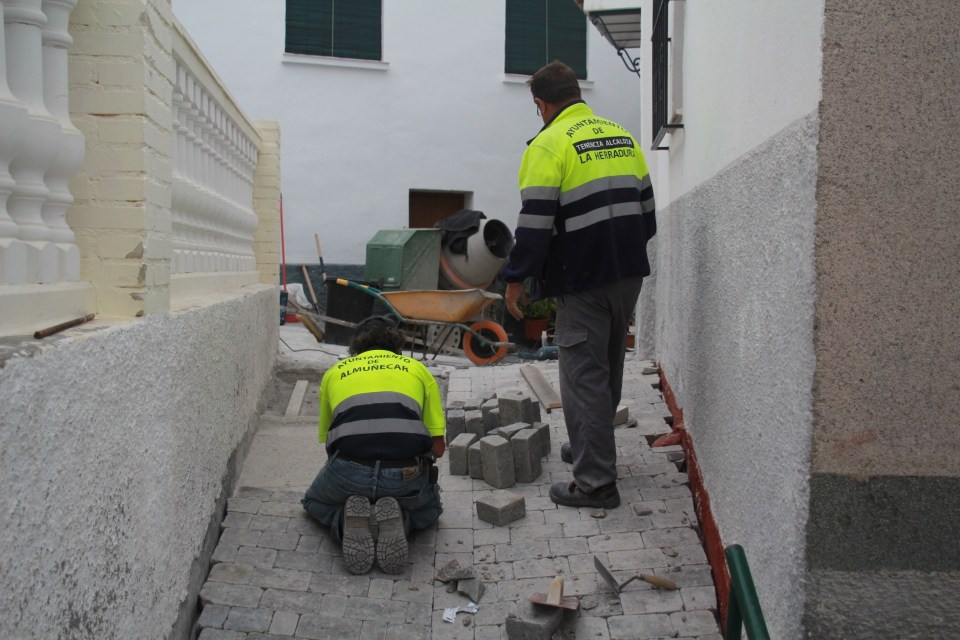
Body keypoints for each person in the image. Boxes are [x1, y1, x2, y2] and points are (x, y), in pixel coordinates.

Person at [500, 60, 657, 510]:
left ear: (542, 104)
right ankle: (591, 447)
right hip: (627, 274)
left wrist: (514, 279)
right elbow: (647, 213)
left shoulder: (548, 146)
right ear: (577, 94)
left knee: (583, 378)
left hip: (584, 280)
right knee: (606, 368)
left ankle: (595, 484)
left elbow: (533, 227)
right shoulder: (621, 135)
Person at [301, 314, 445, 574]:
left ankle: (347, 522)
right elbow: (438, 449)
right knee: (432, 509)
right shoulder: (418, 370)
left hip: (348, 471)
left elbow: (329, 444)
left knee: (314, 503)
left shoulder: (334, 373)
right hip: (404, 477)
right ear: (397, 346)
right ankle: (399, 518)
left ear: (355, 347)